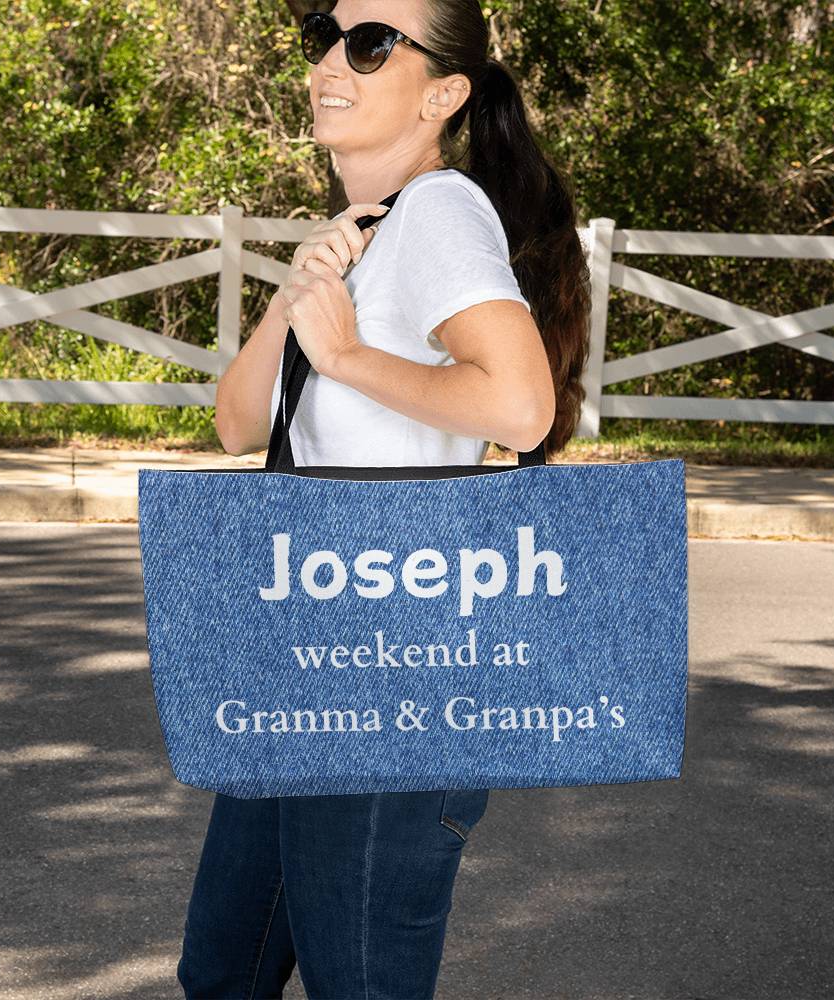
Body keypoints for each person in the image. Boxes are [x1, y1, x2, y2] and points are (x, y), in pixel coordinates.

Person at [178, 1, 591, 996]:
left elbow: (521, 404)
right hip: (302, 661)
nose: (332, 58)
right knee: (220, 971)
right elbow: (238, 424)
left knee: (358, 981)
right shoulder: (369, 232)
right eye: (326, 31)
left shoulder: (442, 212)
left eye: (370, 44)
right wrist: (299, 296)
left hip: (391, 667)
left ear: (444, 92)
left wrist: (353, 355)